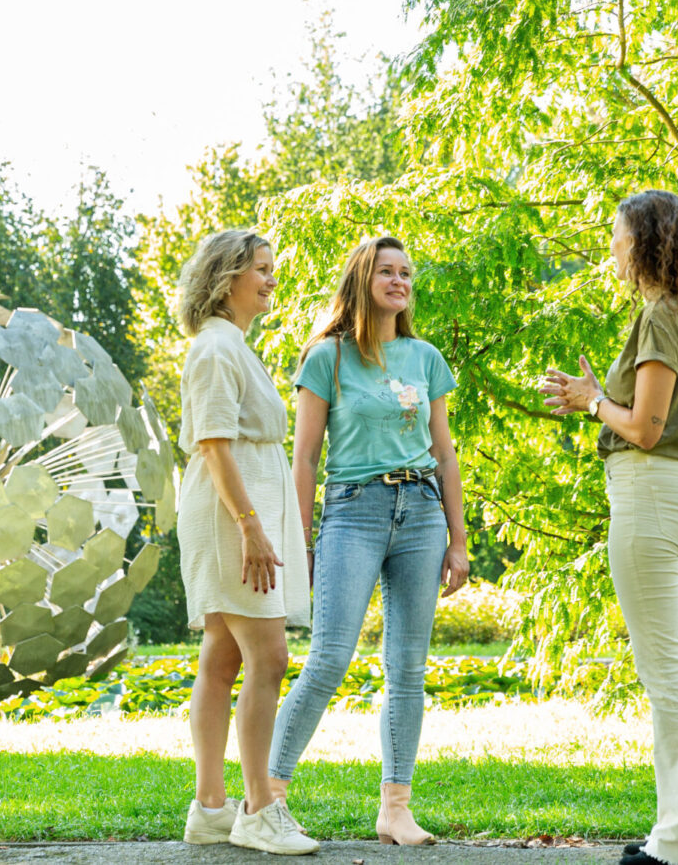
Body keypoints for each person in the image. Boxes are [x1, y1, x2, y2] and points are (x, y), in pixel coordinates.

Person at [540, 189, 678, 865]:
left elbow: (645, 429)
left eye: (618, 237)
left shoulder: (659, 316)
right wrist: (595, 397)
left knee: (668, 674)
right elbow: (654, 415)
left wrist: (595, 402)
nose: (612, 248)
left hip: (649, 495)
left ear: (644, 242)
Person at [266, 234, 470, 846]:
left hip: (422, 514)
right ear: (363, 279)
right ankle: (268, 798)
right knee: (329, 657)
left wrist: (458, 540)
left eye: (407, 272)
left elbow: (444, 452)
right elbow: (303, 460)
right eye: (387, 271)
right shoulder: (326, 357)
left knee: (408, 669)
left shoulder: (424, 356)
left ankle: (396, 808)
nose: (400, 281)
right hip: (353, 509)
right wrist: (300, 542)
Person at [172, 228, 319, 856]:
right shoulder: (214, 349)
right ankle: (260, 807)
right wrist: (251, 526)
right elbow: (213, 443)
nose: (270, 279)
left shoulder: (233, 346)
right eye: (261, 269)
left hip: (239, 512)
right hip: (232, 517)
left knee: (224, 655)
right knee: (269, 658)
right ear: (226, 277)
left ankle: (210, 809)